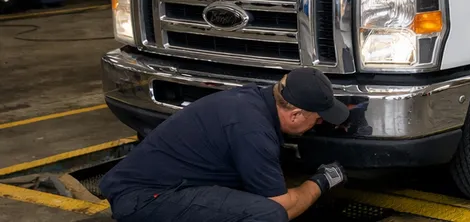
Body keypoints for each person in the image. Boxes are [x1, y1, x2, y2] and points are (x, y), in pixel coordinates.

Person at [100, 68, 351, 222]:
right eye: (317, 118)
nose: (318, 123)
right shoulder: (253, 131)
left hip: (159, 187)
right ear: (295, 114)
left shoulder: (252, 100)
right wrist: (322, 181)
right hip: (144, 199)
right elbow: (282, 206)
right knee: (267, 214)